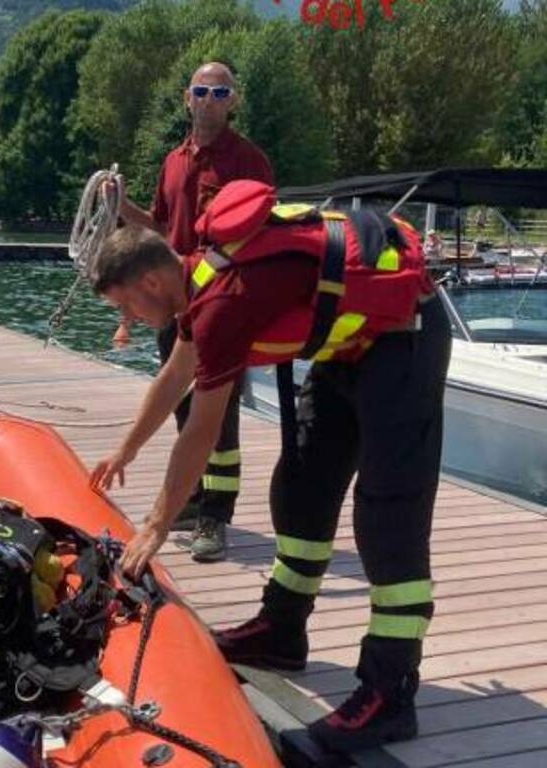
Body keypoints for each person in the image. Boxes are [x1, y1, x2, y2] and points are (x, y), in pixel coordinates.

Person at [89, 180, 450, 753]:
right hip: (347, 349)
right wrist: (126, 449)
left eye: (125, 303)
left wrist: (157, 524)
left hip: (405, 338)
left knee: (388, 516)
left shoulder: (223, 305)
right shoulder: (198, 280)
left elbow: (201, 430)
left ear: (151, 280)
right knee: (301, 486)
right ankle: (283, 630)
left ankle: (390, 691)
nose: (128, 317)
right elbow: (174, 377)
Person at [110, 61, 273, 563]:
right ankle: (194, 498)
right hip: (176, 303)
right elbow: (159, 225)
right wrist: (121, 206)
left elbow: (262, 236)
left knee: (218, 418)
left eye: (219, 92)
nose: (209, 99)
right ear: (187, 98)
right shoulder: (173, 161)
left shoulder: (249, 161)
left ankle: (215, 516)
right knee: (183, 406)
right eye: (201, 91)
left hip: (223, 306)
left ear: (233, 100)